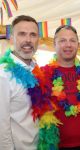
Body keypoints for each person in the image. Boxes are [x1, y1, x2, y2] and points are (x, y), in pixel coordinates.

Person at [0, 15, 59, 150]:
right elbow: (1, 128)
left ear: (38, 39)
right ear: (11, 38)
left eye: (33, 35)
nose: (28, 40)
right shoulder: (3, 75)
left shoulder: (35, 69)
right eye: (22, 34)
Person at [41, 25, 80, 150]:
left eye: (72, 40)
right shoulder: (42, 74)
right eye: (62, 40)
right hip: (56, 145)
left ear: (78, 44)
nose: (68, 44)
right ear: (54, 44)